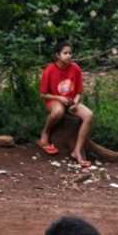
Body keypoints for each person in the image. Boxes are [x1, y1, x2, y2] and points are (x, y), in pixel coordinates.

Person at [37, 40, 93, 168]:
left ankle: (77, 151)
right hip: (54, 100)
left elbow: (79, 92)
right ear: (57, 55)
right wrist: (59, 98)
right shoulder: (49, 70)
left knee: (89, 115)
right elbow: (43, 94)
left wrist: (76, 102)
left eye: (70, 53)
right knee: (58, 112)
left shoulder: (75, 68)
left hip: (71, 101)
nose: (68, 56)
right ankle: (45, 133)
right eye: (65, 53)